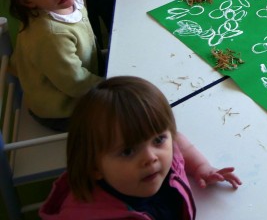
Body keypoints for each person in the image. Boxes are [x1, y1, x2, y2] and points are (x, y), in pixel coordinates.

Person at [39, 76, 242, 219]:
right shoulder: (89, 215)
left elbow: (177, 139)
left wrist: (201, 168)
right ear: (94, 167)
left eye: (158, 140)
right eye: (128, 151)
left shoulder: (162, 150)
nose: (151, 157)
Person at [0, 0, 103, 132]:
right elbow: (76, 84)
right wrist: (111, 85)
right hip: (61, 110)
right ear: (27, 2)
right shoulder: (50, 35)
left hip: (82, 79)